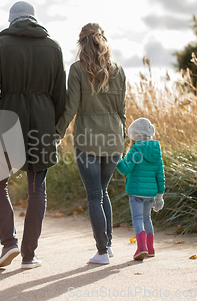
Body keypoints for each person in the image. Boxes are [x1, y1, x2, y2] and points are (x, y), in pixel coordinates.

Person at [0, 1, 66, 269]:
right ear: (34, 18)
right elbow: (61, 96)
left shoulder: (0, 45)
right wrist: (55, 130)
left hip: (8, 121)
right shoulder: (54, 47)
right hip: (43, 124)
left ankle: (8, 243)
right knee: (37, 190)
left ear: (11, 20)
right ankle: (29, 255)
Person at [55, 23, 126, 265]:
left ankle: (102, 251)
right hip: (114, 138)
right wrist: (122, 137)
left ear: (81, 43)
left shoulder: (77, 70)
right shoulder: (119, 71)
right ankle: (108, 246)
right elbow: (122, 111)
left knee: (95, 194)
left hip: (88, 138)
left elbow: (71, 107)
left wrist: (57, 133)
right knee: (102, 191)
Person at [116, 117, 165, 260]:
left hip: (136, 192)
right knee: (147, 218)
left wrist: (117, 159)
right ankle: (150, 248)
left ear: (134, 136)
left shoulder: (135, 151)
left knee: (137, 219)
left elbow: (125, 170)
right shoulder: (156, 152)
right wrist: (159, 196)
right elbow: (160, 175)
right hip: (151, 193)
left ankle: (141, 248)